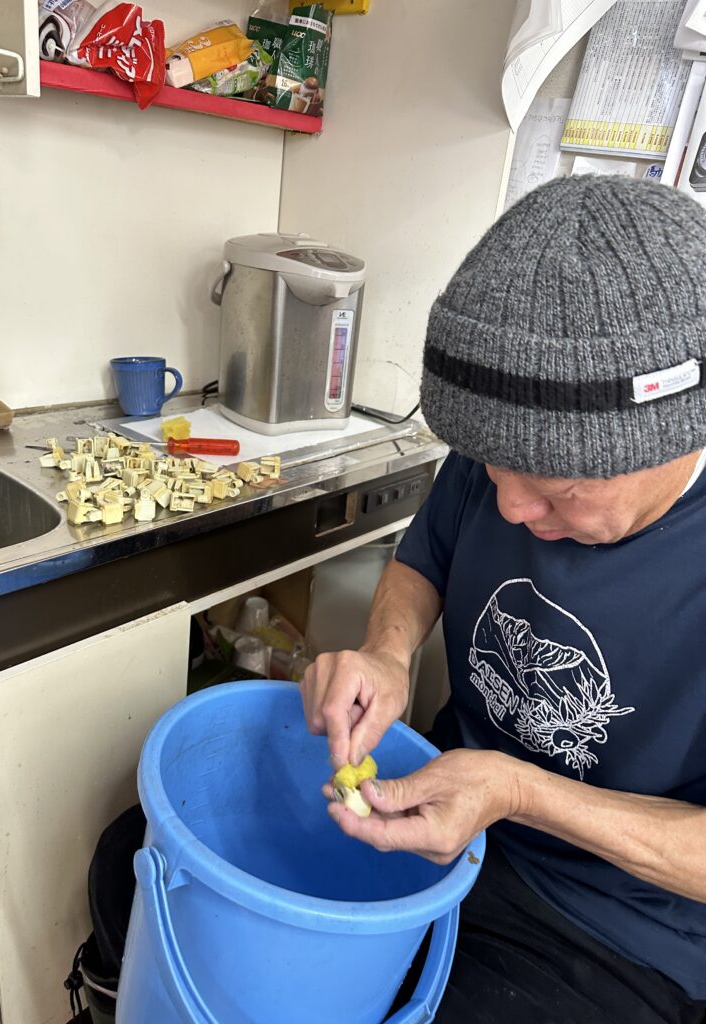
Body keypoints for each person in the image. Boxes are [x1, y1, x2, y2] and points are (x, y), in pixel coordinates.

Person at [301, 175, 706, 1024]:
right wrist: (387, 652)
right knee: (134, 865)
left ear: (676, 436)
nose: (513, 508)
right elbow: (426, 559)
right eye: (493, 472)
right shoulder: (511, 439)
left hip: (614, 923)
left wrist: (519, 792)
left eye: (557, 488)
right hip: (444, 802)